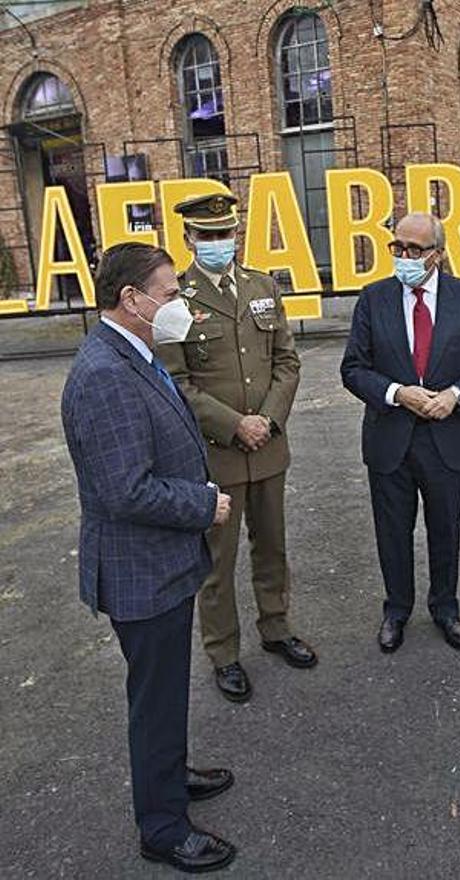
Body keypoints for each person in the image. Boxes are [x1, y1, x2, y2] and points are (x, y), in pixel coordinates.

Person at [61, 243, 236, 872]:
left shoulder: (131, 352)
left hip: (159, 564)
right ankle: (162, 829)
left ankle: (168, 774)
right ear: (131, 300)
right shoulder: (105, 373)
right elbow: (123, 489)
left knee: (164, 692)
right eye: (169, 294)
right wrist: (203, 505)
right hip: (141, 570)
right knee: (155, 697)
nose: (180, 305)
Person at [162, 193, 317, 703]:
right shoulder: (174, 302)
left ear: (236, 234)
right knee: (217, 560)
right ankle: (224, 653)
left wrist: (267, 420)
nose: (216, 244)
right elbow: (176, 382)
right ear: (188, 240)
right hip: (216, 453)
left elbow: (286, 362)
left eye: (223, 234)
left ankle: (275, 627)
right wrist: (235, 425)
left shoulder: (262, 286)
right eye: (205, 237)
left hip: (268, 446)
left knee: (273, 545)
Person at [340, 212, 460, 653]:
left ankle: (446, 609)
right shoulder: (374, 299)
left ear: (439, 254)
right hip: (390, 439)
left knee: (445, 529)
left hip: (448, 438)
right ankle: (397, 610)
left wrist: (454, 395)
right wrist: (395, 393)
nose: (404, 256)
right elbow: (353, 369)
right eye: (398, 248)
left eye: (414, 249)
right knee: (392, 531)